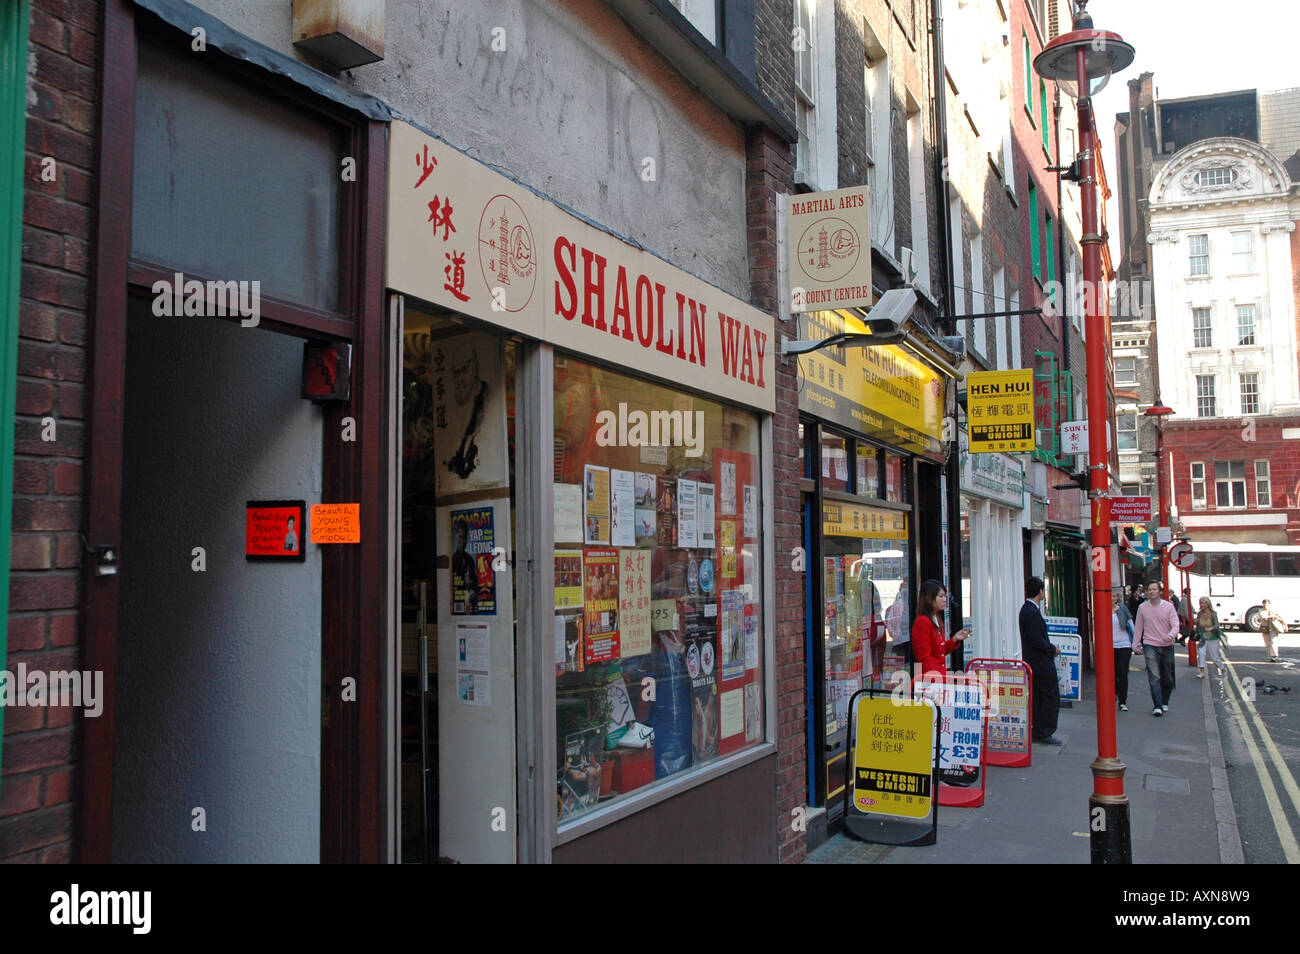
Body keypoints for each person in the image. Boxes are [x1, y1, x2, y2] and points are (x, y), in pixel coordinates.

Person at [1020, 577, 1061, 744]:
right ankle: (1044, 731)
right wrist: (1052, 649)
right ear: (1040, 592)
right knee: (1049, 697)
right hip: (1040, 663)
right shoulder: (1031, 612)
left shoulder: (1027, 610)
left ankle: (1038, 730)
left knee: (1038, 697)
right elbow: (1036, 640)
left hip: (1034, 662)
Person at [1133, 580, 1179, 716]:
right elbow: (1138, 627)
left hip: (1166, 645)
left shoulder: (1169, 607)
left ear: (1160, 591)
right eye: (1149, 589)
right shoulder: (1142, 608)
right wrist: (1135, 644)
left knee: (1168, 678)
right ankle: (1157, 705)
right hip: (1150, 644)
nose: (1152, 591)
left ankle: (1164, 701)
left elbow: (1176, 625)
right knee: (1154, 677)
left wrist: (1170, 635)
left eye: (1154, 589)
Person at [909, 580, 970, 678]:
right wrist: (940, 677)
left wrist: (954, 639)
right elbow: (924, 658)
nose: (945, 599)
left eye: (945, 596)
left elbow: (938, 651)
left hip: (938, 676)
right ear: (929, 598)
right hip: (931, 679)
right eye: (941, 596)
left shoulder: (936, 618)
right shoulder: (923, 621)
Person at [1195, 597, 1225, 679]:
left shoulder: (1213, 613)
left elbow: (1217, 625)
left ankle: (1223, 669)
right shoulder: (1200, 613)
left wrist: (1210, 628)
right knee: (1201, 654)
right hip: (1203, 638)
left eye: (1204, 603)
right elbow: (1198, 626)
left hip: (1213, 638)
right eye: (1201, 603)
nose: (1202, 605)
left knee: (1215, 658)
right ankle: (1202, 672)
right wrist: (1196, 621)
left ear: (1208, 604)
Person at [1112, 592, 1133, 711]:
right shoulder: (1102, 609)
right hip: (1110, 646)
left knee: (1122, 672)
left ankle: (1123, 701)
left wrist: (1136, 642)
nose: (1113, 598)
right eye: (1111, 596)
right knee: (1113, 672)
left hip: (1124, 644)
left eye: (1115, 596)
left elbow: (1131, 625)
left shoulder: (1123, 609)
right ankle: (1115, 692)